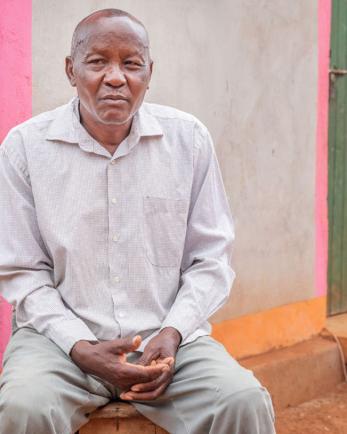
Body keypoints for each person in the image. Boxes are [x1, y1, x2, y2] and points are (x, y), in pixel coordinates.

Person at [0, 8, 275, 434]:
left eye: (131, 63)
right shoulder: (25, 148)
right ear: (71, 70)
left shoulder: (188, 140)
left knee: (243, 401)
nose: (115, 77)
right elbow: (23, 271)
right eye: (97, 62)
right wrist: (79, 346)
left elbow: (210, 260)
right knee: (25, 408)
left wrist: (173, 332)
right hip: (59, 346)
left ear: (150, 72)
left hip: (165, 346)